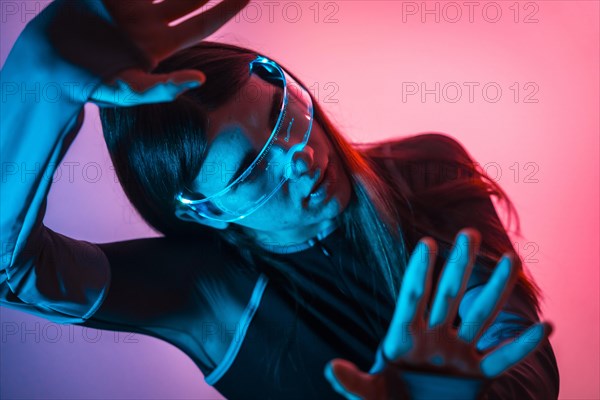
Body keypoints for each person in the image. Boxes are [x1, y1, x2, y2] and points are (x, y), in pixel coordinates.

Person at [1, 1, 559, 399]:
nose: (297, 157)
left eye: (281, 115)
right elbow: (11, 270)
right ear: (207, 210)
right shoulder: (203, 290)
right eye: (248, 168)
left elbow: (521, 352)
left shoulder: (427, 168)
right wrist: (38, 78)